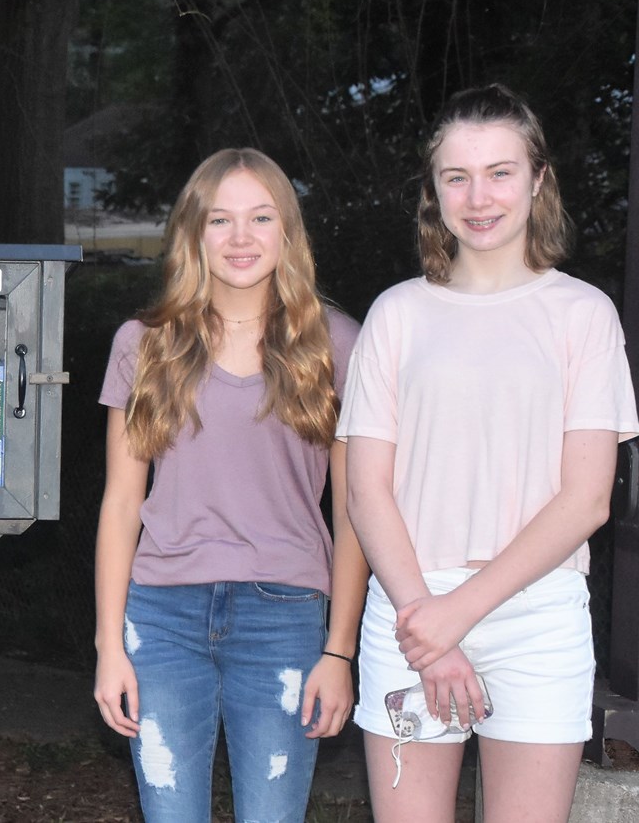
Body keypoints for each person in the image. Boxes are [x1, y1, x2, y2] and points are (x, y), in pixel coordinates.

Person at [339, 84, 638, 821]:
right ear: (433, 189)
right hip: (410, 612)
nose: (479, 196)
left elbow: (587, 499)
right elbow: (365, 490)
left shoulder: (583, 315)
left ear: (538, 181)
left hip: (538, 617)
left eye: (500, 172)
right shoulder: (396, 313)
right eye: (457, 176)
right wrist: (428, 626)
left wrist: (458, 614)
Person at [93, 148, 368, 821]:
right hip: (160, 620)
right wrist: (108, 645)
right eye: (221, 220)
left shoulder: (336, 343)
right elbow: (122, 502)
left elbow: (359, 511)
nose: (241, 238)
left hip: (288, 619)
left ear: (287, 231)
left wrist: (340, 649)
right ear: (194, 233)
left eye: (260, 217)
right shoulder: (144, 343)